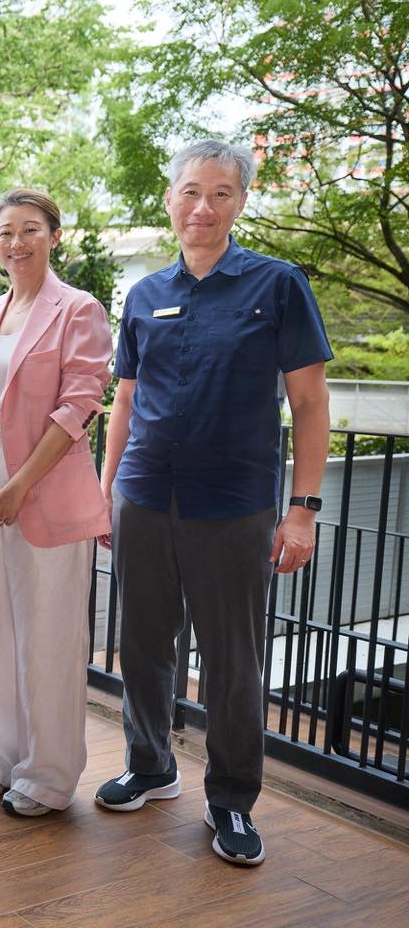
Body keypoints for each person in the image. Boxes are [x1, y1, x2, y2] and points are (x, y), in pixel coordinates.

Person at [95, 141, 332, 865]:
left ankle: (230, 799)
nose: (203, 207)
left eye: (222, 193)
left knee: (232, 663)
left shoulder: (278, 284)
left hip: (233, 507)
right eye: (191, 191)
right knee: (139, 645)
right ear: (169, 199)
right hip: (144, 498)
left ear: (241, 202)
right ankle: (151, 764)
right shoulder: (143, 295)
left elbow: (312, 402)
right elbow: (124, 404)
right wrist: (106, 495)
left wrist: (303, 509)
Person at [0, 188, 113, 818]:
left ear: (54, 235)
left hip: (43, 491)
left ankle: (47, 775)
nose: (15, 242)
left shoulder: (78, 310)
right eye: (5, 232)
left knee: (50, 637)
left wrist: (19, 484)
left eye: (29, 230)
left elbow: (78, 408)